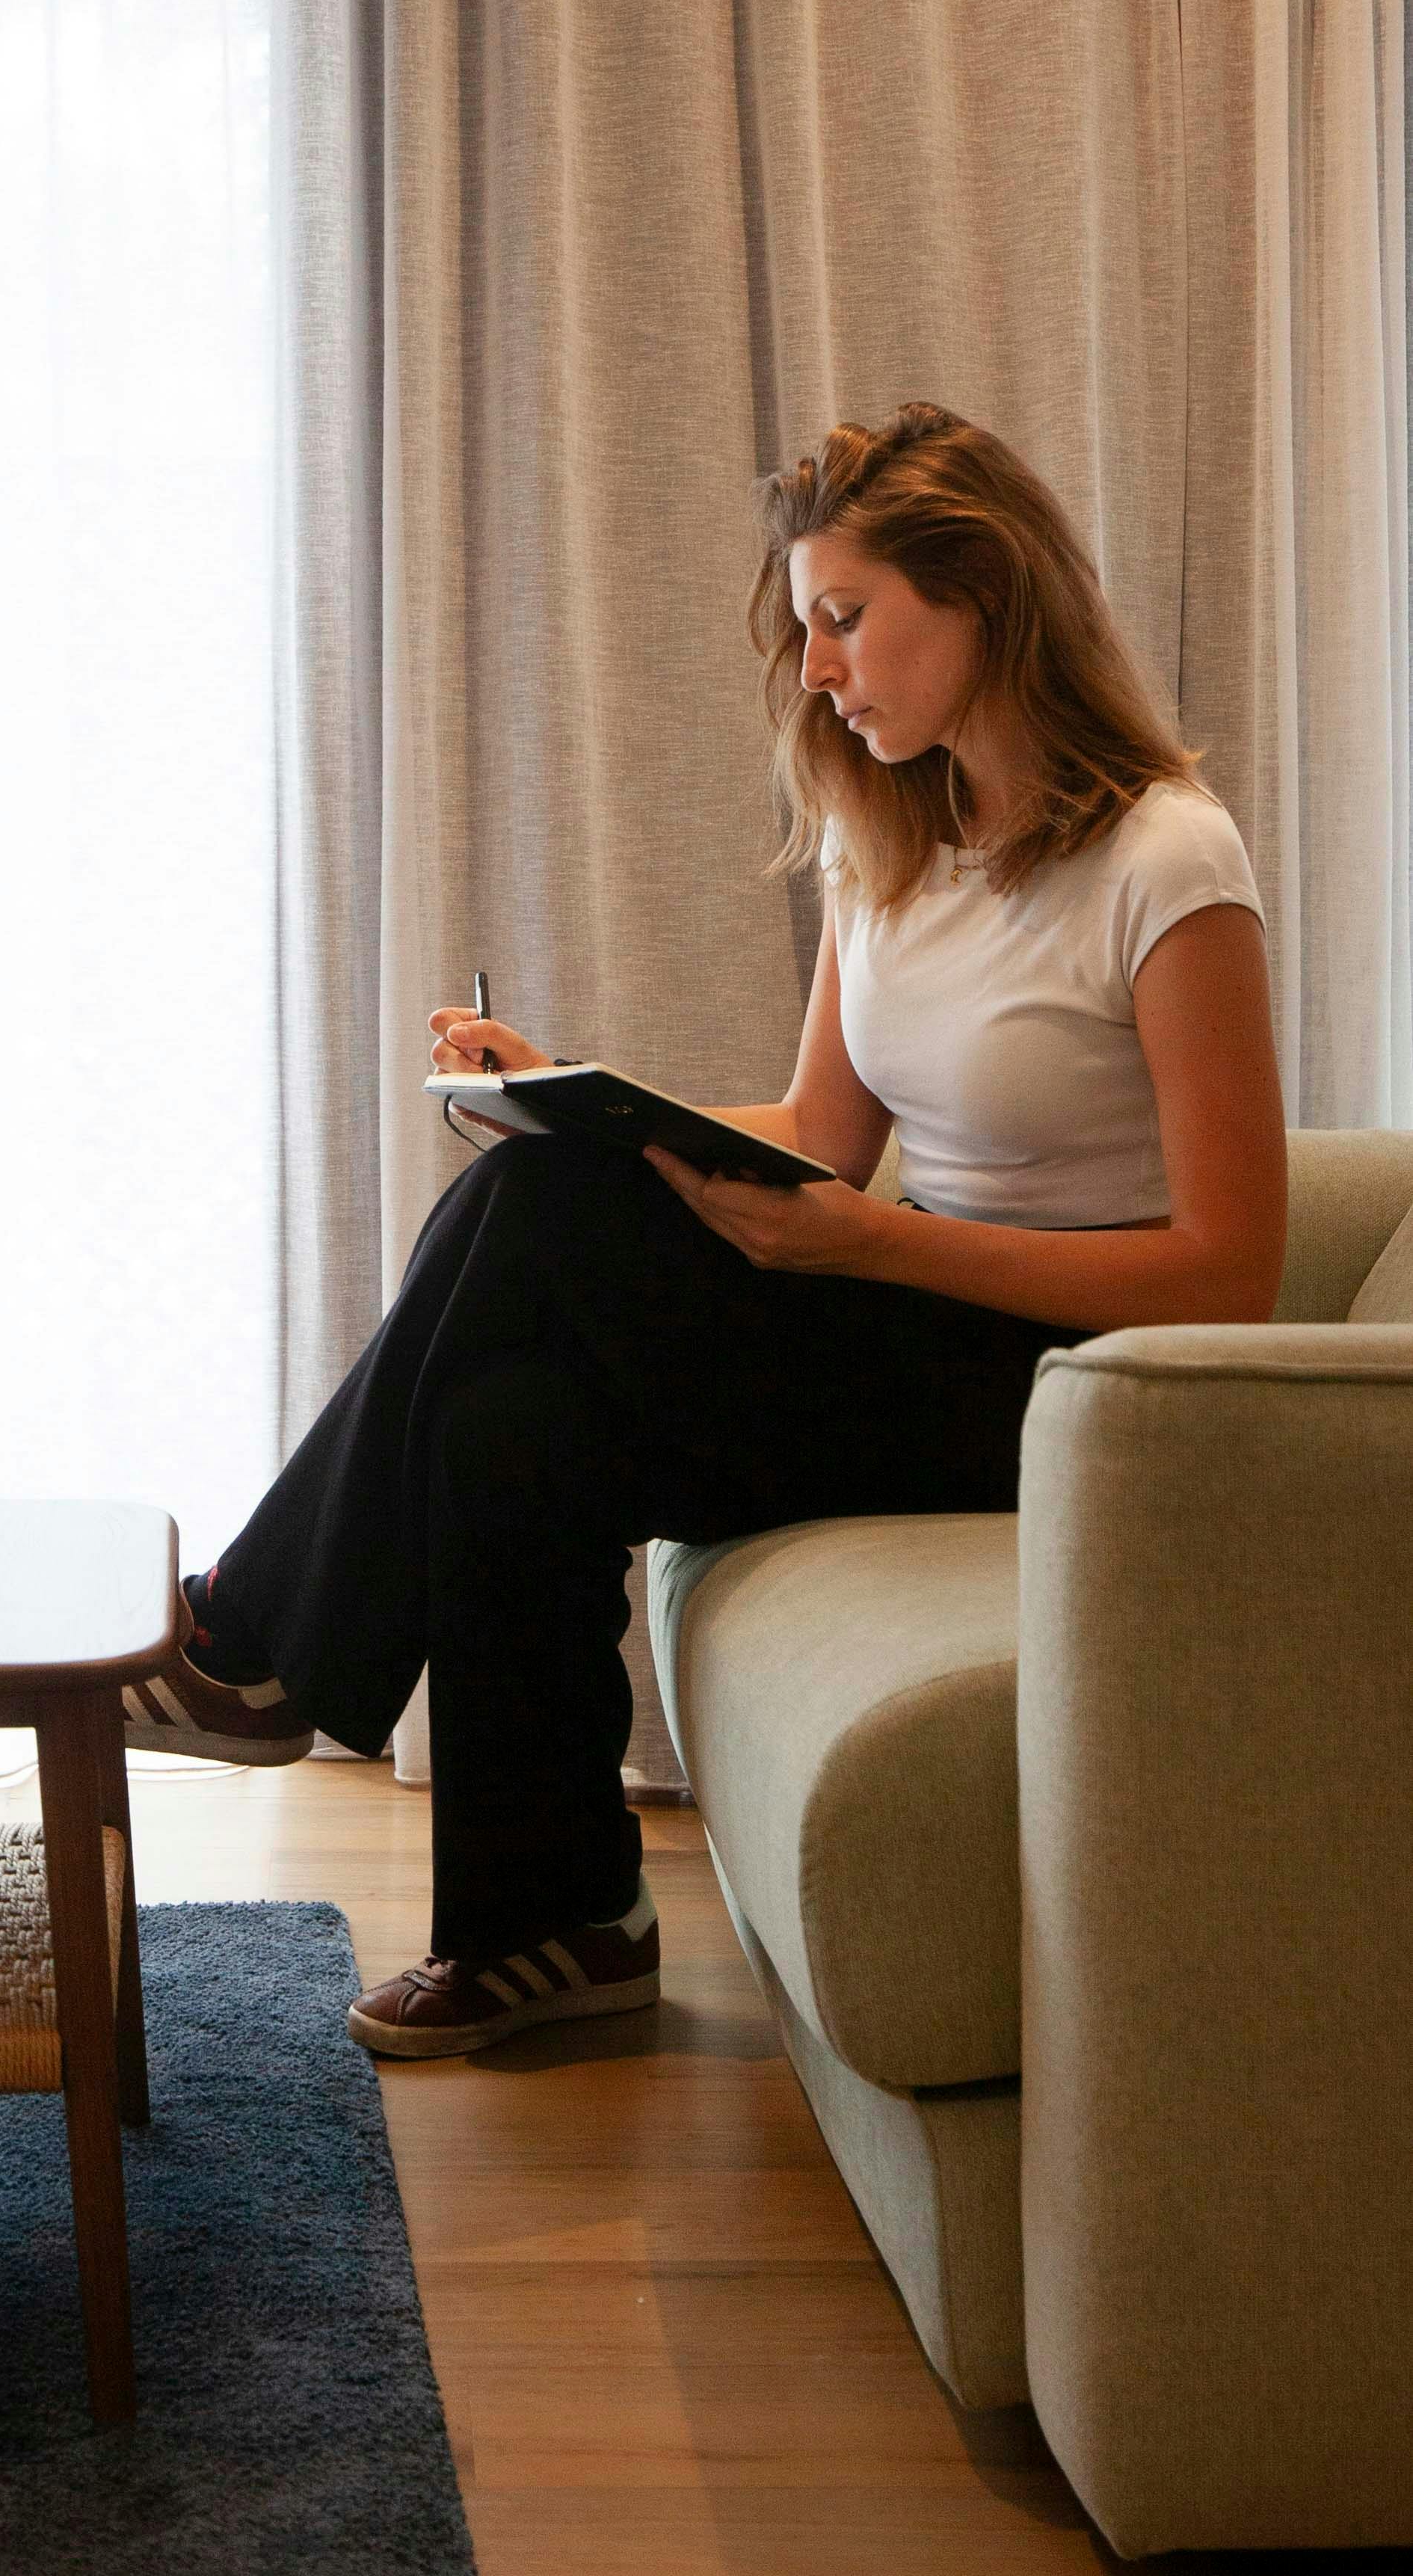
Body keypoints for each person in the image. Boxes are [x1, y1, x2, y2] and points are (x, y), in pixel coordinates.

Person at [124, 401, 1285, 2060]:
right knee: (507, 1419)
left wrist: (874, 1248)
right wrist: (581, 1095)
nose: (820, 669)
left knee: (531, 1213)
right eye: (809, 626)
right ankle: (558, 1928)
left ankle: (252, 1645)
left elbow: (1228, 1275)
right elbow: (821, 1137)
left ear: (982, 596)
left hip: (1077, 1394)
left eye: (846, 617)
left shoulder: (1168, 857)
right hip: (916, 1327)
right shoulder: (892, 845)